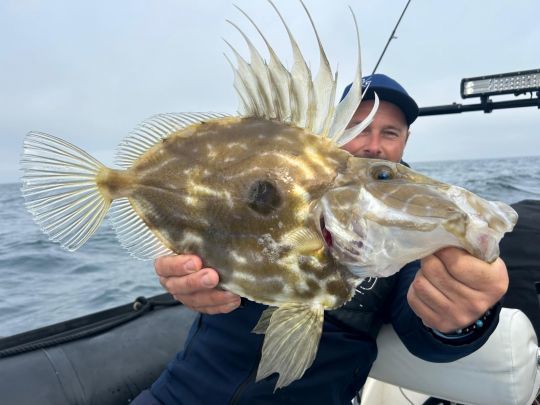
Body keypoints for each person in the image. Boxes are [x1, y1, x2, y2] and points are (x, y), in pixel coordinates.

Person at [134, 74, 509, 404]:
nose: (372, 145)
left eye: (389, 132)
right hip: (180, 394)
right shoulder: (268, 181)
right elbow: (204, 226)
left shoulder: (413, 232)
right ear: (334, 130)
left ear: (405, 141)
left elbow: (424, 335)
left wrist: (462, 318)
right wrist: (182, 277)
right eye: (357, 127)